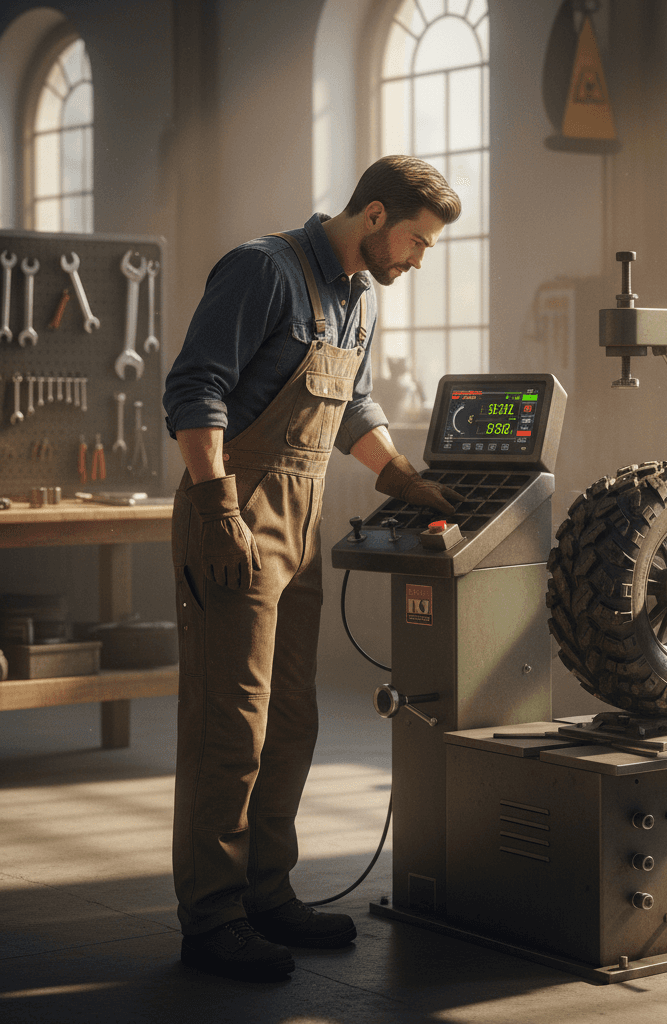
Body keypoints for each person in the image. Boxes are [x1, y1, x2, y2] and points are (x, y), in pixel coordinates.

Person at [162, 155, 464, 981]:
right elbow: (195, 390)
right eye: (414, 241)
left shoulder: (358, 298)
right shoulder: (263, 271)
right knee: (232, 725)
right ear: (373, 215)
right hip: (233, 510)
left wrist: (398, 475)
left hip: (301, 516)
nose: (415, 260)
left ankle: (267, 892)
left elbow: (350, 405)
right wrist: (219, 506)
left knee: (291, 719)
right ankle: (212, 917)